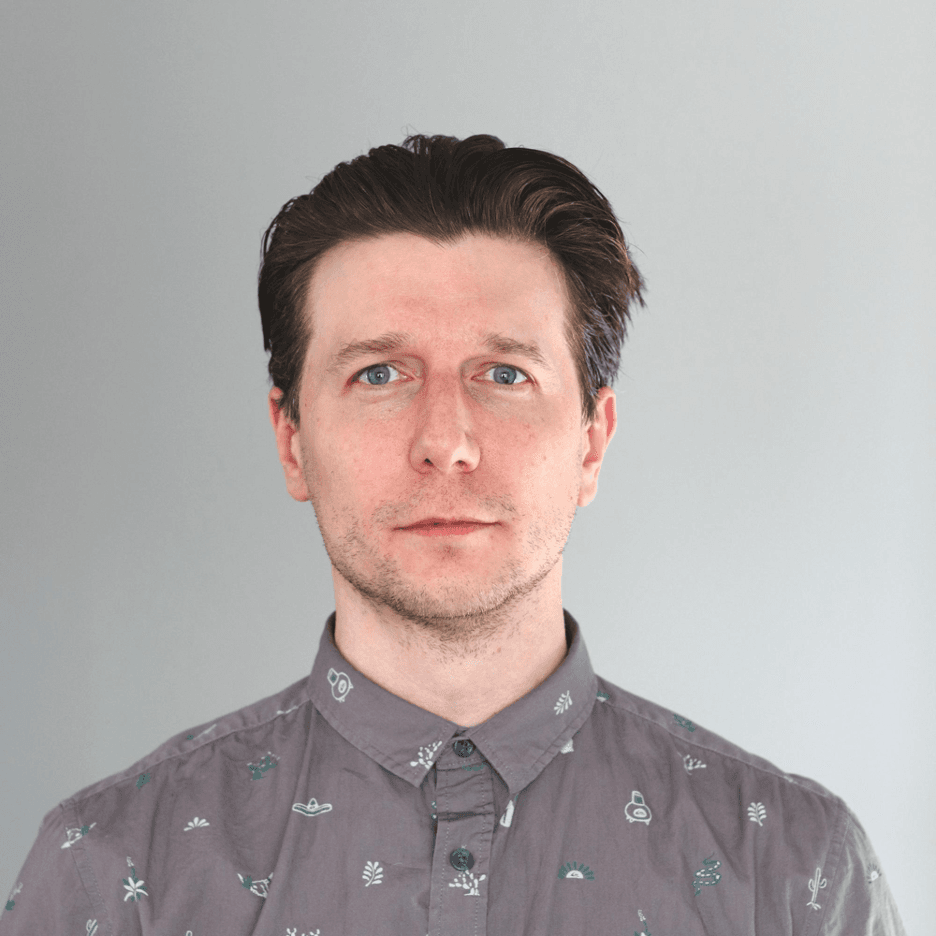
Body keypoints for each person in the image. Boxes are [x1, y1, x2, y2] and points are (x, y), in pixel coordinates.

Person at [1, 134, 905, 936]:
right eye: (380, 373)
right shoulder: (109, 872)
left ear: (591, 443)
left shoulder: (795, 873)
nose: (445, 442)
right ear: (292, 440)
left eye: (504, 374)